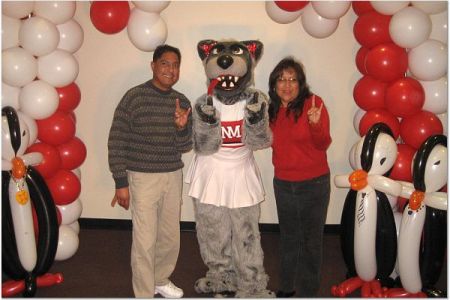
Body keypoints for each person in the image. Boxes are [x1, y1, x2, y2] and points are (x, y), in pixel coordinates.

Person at [107, 44, 192, 298]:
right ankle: (143, 293)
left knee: (170, 237)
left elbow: (186, 146)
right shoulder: (134, 97)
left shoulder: (182, 101)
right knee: (145, 241)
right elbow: (117, 139)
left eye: (175, 64)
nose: (170, 69)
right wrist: (120, 181)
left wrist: (181, 127)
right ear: (153, 65)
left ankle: (159, 279)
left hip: (172, 175)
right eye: (165, 63)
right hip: (142, 177)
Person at [268, 57, 332, 298]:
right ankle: (286, 287)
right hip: (283, 184)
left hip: (314, 183)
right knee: (288, 238)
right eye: (282, 79)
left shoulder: (313, 104)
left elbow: (323, 143)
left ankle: (309, 291)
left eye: (293, 79)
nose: (287, 84)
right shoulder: (272, 109)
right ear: (274, 85)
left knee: (311, 241)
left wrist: (315, 124)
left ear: (300, 83)